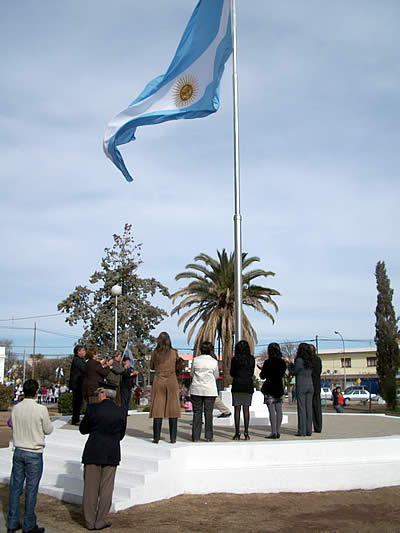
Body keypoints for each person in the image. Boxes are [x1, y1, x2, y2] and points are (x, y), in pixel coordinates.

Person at [7, 379, 53, 533]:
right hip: (34, 451)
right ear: (36, 391)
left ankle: (12, 522)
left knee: (15, 487)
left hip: (19, 449)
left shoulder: (16, 408)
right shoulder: (41, 409)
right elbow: (48, 429)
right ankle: (29, 524)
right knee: (31, 490)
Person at [79, 382, 126, 531]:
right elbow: (121, 435)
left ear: (103, 394)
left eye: (99, 393)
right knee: (106, 488)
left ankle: (89, 521)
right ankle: (100, 520)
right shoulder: (120, 411)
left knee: (90, 489)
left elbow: (83, 429)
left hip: (93, 451)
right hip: (111, 452)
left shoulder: (92, 409)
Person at [149, 332, 181, 444]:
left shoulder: (155, 353)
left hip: (159, 380)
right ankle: (173, 438)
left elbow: (151, 366)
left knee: (157, 409)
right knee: (173, 409)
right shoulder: (174, 353)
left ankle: (156, 437)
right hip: (172, 380)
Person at [190, 341, 219, 442]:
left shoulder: (195, 360)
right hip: (210, 390)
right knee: (208, 413)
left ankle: (195, 436)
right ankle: (209, 435)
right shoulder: (214, 362)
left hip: (196, 389)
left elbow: (191, 373)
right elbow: (216, 375)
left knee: (197, 413)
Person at [258, 342, 287, 439]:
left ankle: (273, 431)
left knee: (271, 411)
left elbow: (263, 376)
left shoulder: (268, 362)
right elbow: (282, 374)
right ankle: (278, 431)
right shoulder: (282, 363)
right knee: (279, 410)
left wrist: (261, 369)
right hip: (279, 387)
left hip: (269, 387)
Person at [229, 340, 255, 441]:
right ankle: (246, 433)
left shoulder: (235, 359)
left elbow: (232, 372)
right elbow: (252, 372)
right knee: (246, 409)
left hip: (237, 384)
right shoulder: (251, 359)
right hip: (248, 384)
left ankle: (237, 433)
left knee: (237, 410)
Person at [292, 343, 314, 437]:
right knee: (309, 408)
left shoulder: (299, 360)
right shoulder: (311, 360)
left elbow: (294, 371)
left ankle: (302, 431)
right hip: (310, 384)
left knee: (301, 408)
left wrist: (290, 365)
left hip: (301, 385)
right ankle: (309, 430)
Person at [69, 344, 86, 425]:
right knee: (77, 402)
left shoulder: (80, 360)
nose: (84, 352)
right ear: (78, 352)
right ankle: (75, 419)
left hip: (80, 384)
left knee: (79, 402)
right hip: (77, 384)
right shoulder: (77, 360)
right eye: (83, 350)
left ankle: (77, 417)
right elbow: (84, 369)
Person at [310, 344, 323, 433]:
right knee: (317, 408)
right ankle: (318, 427)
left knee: (310, 407)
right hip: (317, 385)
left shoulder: (308, 360)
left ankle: (310, 425)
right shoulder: (318, 360)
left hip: (310, 385)